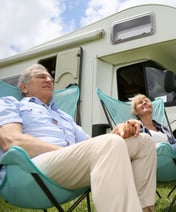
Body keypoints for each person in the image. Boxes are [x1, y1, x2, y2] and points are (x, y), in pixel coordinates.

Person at [0, 64, 156, 212]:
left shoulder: (64, 116)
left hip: (70, 166)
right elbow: (12, 141)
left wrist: (120, 130)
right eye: (41, 77)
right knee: (109, 144)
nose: (49, 80)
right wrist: (66, 151)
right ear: (24, 87)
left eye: (51, 79)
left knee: (144, 141)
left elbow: (91, 145)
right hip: (30, 169)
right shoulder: (11, 103)